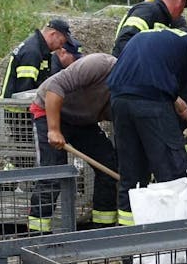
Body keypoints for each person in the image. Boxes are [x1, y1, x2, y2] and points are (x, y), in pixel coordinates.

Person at [106, 26, 187, 226]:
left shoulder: (148, 37)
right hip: (152, 103)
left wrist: (172, 97)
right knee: (172, 178)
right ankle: (171, 247)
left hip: (118, 101)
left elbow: (145, 77)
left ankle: (129, 249)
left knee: (131, 179)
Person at [27, 53, 120, 231]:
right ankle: (37, 233)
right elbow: (54, 87)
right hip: (50, 111)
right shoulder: (99, 65)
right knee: (53, 173)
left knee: (108, 165)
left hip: (82, 121)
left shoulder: (131, 88)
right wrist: (54, 130)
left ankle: (102, 228)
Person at [112, 0, 187, 57]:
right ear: (181, 1)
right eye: (183, 7)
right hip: (127, 67)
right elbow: (124, 42)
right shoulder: (147, 12)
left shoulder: (162, 16)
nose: (181, 12)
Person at [1, 19, 74, 99]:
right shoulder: (32, 52)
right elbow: (24, 92)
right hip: (16, 109)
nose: (60, 47)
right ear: (53, 34)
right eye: (61, 42)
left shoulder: (40, 50)